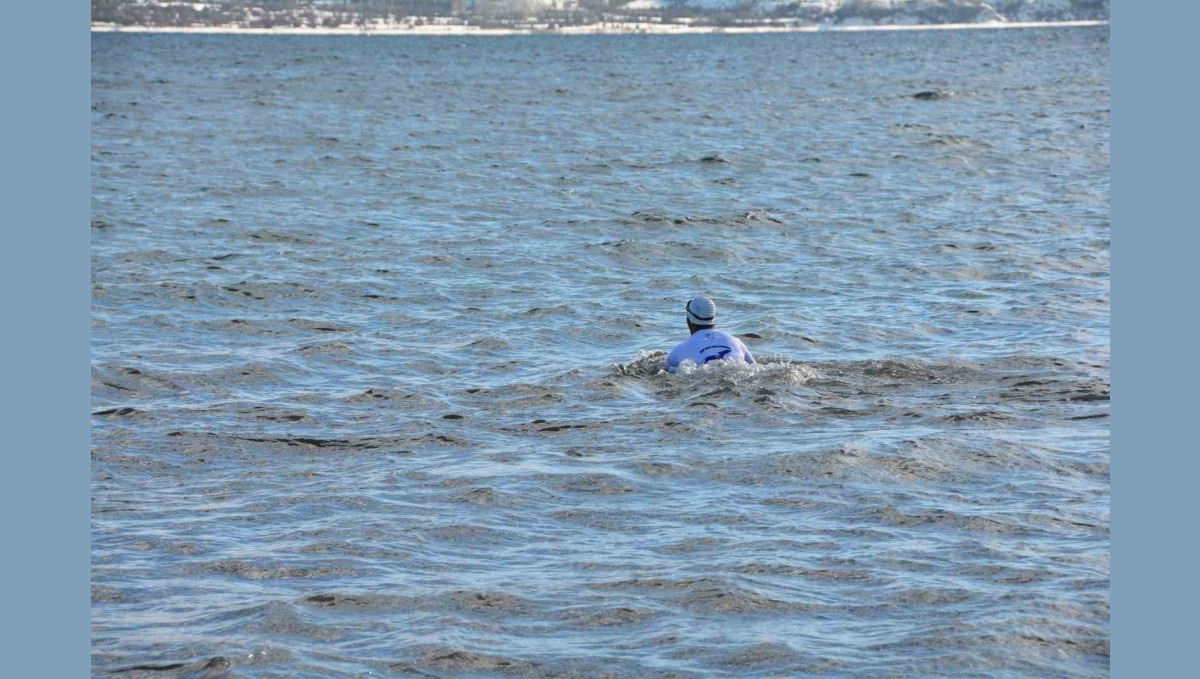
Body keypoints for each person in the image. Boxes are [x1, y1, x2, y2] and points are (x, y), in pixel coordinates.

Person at [665, 297, 756, 372]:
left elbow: (664, 374)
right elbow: (755, 367)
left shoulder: (679, 351)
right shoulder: (735, 341)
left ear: (689, 320)